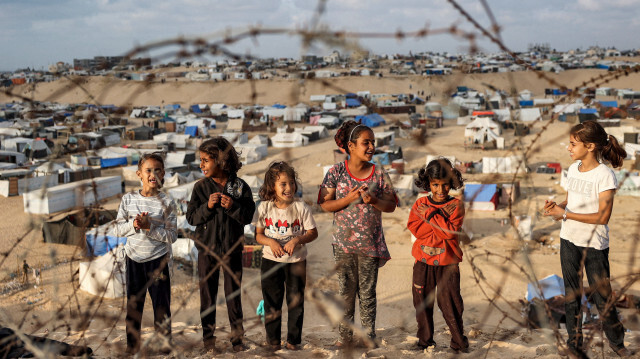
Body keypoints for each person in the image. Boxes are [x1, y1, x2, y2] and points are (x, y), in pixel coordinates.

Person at [543, 121, 630, 357]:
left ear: (590, 146)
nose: (568, 148)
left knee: (603, 298)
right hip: (568, 239)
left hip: (594, 245)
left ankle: (617, 343)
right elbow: (571, 199)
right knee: (572, 296)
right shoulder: (573, 169)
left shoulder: (605, 176)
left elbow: (603, 217)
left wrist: (566, 213)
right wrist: (557, 207)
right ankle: (574, 345)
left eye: (573, 144)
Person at [318, 120, 397, 348]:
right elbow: (325, 204)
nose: (371, 146)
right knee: (346, 293)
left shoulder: (379, 173)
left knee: (368, 294)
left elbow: (391, 205)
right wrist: (348, 199)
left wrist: (374, 201)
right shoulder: (336, 172)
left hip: (370, 245)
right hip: (342, 245)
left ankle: (369, 337)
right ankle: (345, 338)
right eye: (366, 142)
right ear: (351, 146)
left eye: (373, 142)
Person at [186, 137, 255, 353]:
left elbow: (248, 216)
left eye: (206, 160)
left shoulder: (239, 186)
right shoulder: (200, 188)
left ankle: (237, 340)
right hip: (206, 250)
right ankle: (209, 341)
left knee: (233, 295)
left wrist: (233, 207)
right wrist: (207, 207)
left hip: (232, 249)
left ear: (221, 161)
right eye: (201, 160)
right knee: (207, 296)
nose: (201, 165)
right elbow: (191, 218)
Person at [114, 152, 177, 354]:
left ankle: (164, 345)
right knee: (134, 306)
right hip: (134, 260)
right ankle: (132, 346)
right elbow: (116, 229)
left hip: (158, 261)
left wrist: (150, 227)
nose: (153, 174)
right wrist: (134, 224)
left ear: (163, 174)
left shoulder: (167, 202)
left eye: (157, 170)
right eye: (148, 170)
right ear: (139, 174)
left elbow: (172, 235)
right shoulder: (128, 199)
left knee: (161, 306)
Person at [253, 161, 318, 351]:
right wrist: (271, 242)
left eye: (291, 182)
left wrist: (296, 240)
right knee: (272, 302)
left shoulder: (301, 208)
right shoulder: (264, 208)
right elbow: (258, 235)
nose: (289, 188)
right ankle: (273, 340)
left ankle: (293, 341)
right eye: (283, 184)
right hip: (270, 261)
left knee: (295, 302)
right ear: (271, 186)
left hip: (296, 262)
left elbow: (312, 233)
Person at [406, 158, 469, 353]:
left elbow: (451, 233)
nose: (440, 190)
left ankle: (459, 343)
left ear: (452, 183)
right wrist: (441, 224)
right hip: (423, 262)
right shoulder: (419, 204)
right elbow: (417, 230)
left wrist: (432, 215)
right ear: (428, 184)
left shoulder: (456, 206)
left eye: (445, 185)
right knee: (422, 303)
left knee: (451, 303)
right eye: (435, 185)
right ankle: (425, 341)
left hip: (448, 264)